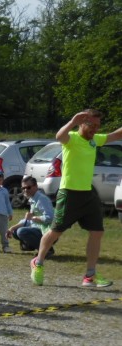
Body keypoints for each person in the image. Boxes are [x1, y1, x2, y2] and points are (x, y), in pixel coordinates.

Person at [30, 109, 122, 287]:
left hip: (88, 193)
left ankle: (90, 275)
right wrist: (72, 120)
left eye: (97, 126)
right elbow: (59, 136)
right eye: (91, 125)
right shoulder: (71, 138)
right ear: (82, 123)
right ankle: (38, 262)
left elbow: (116, 135)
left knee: (97, 232)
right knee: (56, 231)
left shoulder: (95, 140)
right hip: (69, 193)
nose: (94, 129)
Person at [6, 176, 54, 256]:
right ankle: (33, 246)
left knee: (21, 231)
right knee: (15, 231)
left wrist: (33, 218)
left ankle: (47, 249)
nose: (25, 190)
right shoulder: (33, 199)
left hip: (47, 232)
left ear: (36, 187)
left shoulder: (42, 199)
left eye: (28, 187)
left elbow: (50, 218)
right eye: (23, 188)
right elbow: (28, 221)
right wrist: (12, 228)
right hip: (37, 229)